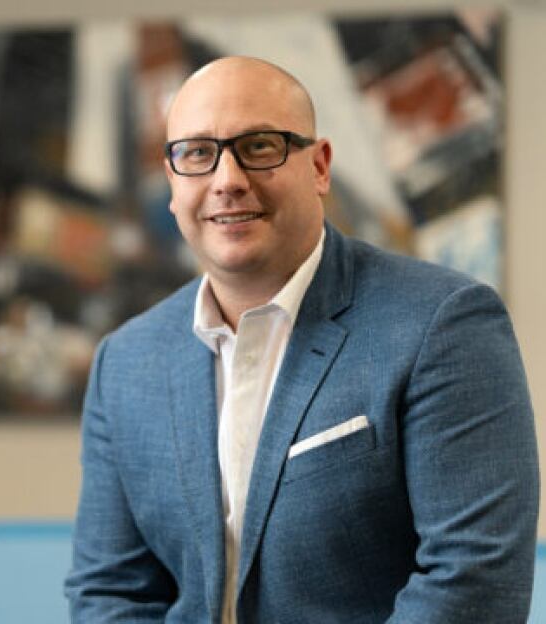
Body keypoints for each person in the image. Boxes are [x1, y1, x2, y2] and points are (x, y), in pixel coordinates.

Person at [64, 56, 539, 623]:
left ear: (319, 166)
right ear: (172, 183)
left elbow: (472, 580)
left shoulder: (443, 324)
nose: (227, 179)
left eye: (260, 146)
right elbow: (110, 593)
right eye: (196, 154)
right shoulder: (127, 362)